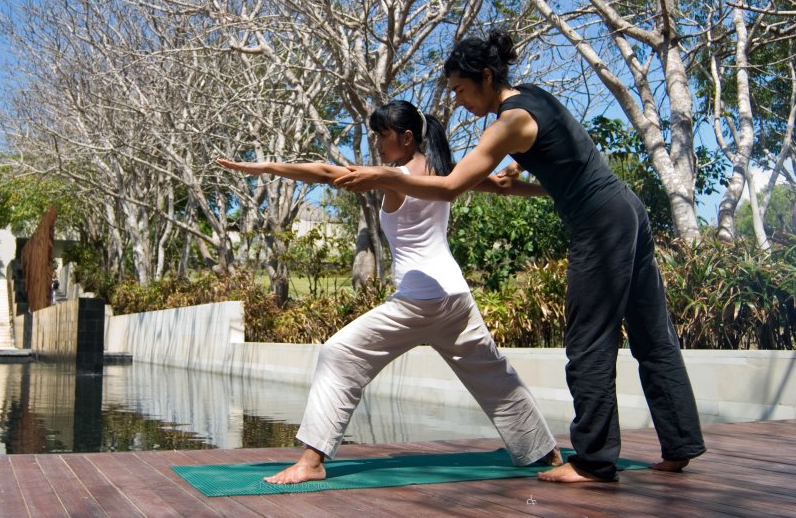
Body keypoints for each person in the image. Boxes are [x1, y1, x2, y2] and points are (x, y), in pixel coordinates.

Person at [334, 31, 706, 483]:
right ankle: (680, 444)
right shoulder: (534, 98)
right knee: (652, 334)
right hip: (626, 209)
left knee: (588, 340)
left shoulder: (509, 122)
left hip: (600, 223)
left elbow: (452, 186)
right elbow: (563, 164)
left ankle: (592, 462)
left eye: (461, 90)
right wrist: (520, 174)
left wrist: (381, 175)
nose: (459, 100)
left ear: (486, 77)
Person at [217, 99, 560, 485]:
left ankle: (312, 461)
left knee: (339, 354)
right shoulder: (444, 171)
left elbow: (324, 172)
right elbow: (500, 184)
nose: (378, 143)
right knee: (491, 372)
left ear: (407, 137)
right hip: (456, 297)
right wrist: (555, 192)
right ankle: (543, 450)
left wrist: (263, 167)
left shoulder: (390, 176)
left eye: (383, 135)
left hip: (420, 300)